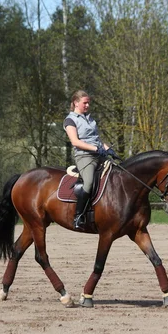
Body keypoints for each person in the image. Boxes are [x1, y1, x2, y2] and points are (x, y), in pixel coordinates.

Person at [63, 90, 117, 230]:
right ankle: (78, 216)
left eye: (88, 103)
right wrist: (95, 149)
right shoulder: (70, 120)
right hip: (84, 156)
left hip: (99, 153)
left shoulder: (90, 118)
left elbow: (97, 139)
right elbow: (75, 142)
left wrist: (108, 150)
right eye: (85, 103)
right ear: (76, 102)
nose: (87, 105)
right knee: (88, 183)